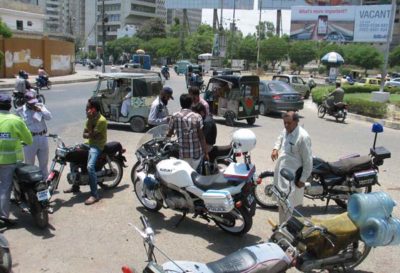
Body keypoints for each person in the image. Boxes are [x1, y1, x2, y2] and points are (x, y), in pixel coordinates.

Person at [271, 111, 312, 223]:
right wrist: (275, 148)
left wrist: (302, 179)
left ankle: (286, 231)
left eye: (288, 123)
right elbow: (280, 137)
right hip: (281, 174)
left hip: (291, 179)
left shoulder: (303, 137)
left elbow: (308, 162)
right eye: (284, 123)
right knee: (281, 203)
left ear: (296, 121)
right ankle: (282, 227)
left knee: (287, 206)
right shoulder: (287, 130)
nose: (286, 125)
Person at [64, 99, 107, 205]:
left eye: (88, 108)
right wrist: (90, 132)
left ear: (94, 109)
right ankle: (75, 186)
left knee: (90, 167)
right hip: (88, 143)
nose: (86, 110)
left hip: (97, 146)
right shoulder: (90, 119)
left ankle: (94, 194)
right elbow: (85, 135)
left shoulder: (101, 120)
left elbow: (91, 135)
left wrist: (90, 132)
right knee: (73, 157)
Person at [0, 94, 33, 226]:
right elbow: (29, 140)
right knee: (5, 188)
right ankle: (3, 216)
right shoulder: (15, 120)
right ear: (9, 106)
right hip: (9, 161)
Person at [167, 94, 209, 170]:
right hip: (196, 153)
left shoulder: (174, 116)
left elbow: (169, 133)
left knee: (185, 175)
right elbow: (201, 137)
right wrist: (206, 153)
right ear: (192, 103)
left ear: (180, 103)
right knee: (195, 174)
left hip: (183, 154)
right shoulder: (197, 117)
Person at [16, 92, 52, 179]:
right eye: (31, 102)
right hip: (29, 139)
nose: (33, 104)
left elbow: (49, 117)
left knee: (44, 163)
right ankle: (31, 185)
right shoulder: (20, 111)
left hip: (42, 137)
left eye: (34, 102)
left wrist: (41, 110)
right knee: (29, 164)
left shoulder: (40, 106)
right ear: (26, 101)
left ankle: (45, 184)